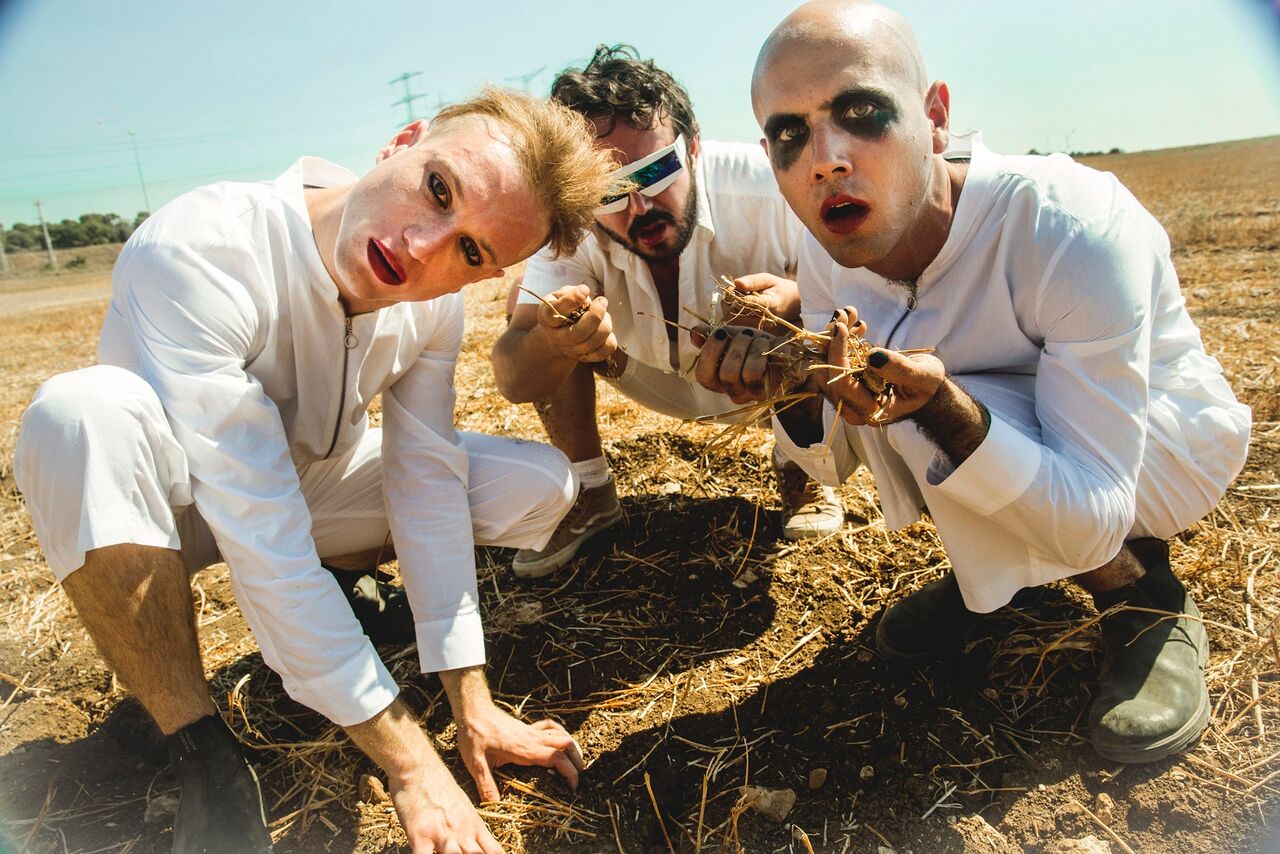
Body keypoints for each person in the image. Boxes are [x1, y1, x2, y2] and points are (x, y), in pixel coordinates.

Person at [13, 87, 618, 853]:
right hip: (172, 509)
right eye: (438, 189)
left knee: (541, 485)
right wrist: (411, 765)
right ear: (402, 140)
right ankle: (198, 747)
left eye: (471, 252)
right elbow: (263, 534)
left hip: (307, 483)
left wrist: (473, 704)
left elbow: (425, 480)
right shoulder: (204, 245)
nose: (424, 246)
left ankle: (342, 583)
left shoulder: (434, 306)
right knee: (76, 416)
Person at [698, 0, 1251, 763]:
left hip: (1161, 450)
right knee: (898, 402)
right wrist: (787, 383)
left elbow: (1095, 510)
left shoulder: (1066, 224)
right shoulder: (825, 248)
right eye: (790, 134)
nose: (824, 157)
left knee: (947, 402)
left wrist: (950, 412)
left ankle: (1142, 598)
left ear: (934, 117)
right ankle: (1000, 577)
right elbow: (837, 460)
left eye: (860, 112)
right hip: (1029, 447)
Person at [491, 45, 844, 579]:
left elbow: (862, 297)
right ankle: (589, 490)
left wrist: (796, 302)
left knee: (810, 306)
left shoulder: (770, 186)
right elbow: (514, 375)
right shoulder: (572, 224)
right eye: (609, 190)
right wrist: (554, 341)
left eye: (656, 169)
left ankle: (805, 469)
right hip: (641, 374)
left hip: (772, 380)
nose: (641, 206)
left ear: (694, 146)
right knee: (540, 311)